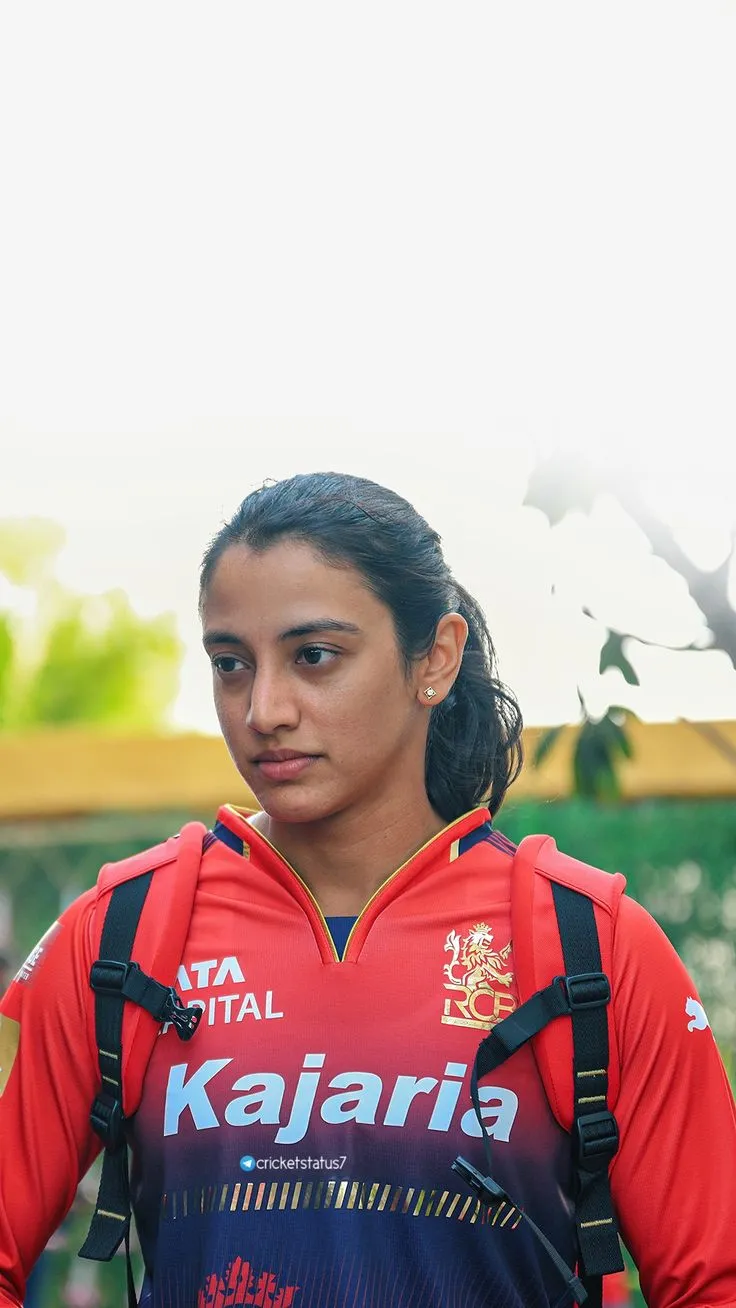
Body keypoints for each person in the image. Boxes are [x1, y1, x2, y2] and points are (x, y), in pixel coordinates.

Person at [1, 470, 735, 1308]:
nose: (265, 708)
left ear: (436, 659)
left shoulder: (592, 946)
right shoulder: (120, 935)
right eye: (231, 664)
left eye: (315, 656)